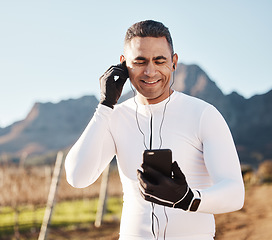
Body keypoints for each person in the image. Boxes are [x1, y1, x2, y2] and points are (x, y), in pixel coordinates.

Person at [65, 20, 244, 240]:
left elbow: (235, 193)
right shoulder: (114, 117)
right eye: (139, 62)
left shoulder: (203, 114)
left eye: (159, 61)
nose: (150, 71)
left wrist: (188, 199)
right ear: (123, 64)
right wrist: (105, 106)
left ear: (174, 62)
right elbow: (77, 177)